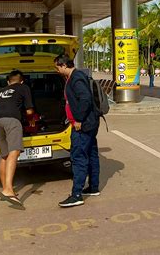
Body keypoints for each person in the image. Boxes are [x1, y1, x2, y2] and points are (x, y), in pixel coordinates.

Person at [54, 54, 100, 208]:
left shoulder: (76, 78)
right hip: (90, 123)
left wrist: (78, 119)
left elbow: (85, 98)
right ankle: (93, 187)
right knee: (92, 153)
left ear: (63, 65)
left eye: (57, 67)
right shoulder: (76, 76)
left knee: (78, 156)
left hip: (84, 124)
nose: (57, 70)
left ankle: (76, 195)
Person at [0, 70, 34, 209]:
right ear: (21, 81)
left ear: (8, 82)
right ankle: (8, 190)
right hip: (12, 121)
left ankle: (5, 189)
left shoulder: (0, 91)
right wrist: (31, 119)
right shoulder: (23, 87)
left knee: (5, 155)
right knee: (14, 152)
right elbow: (29, 111)